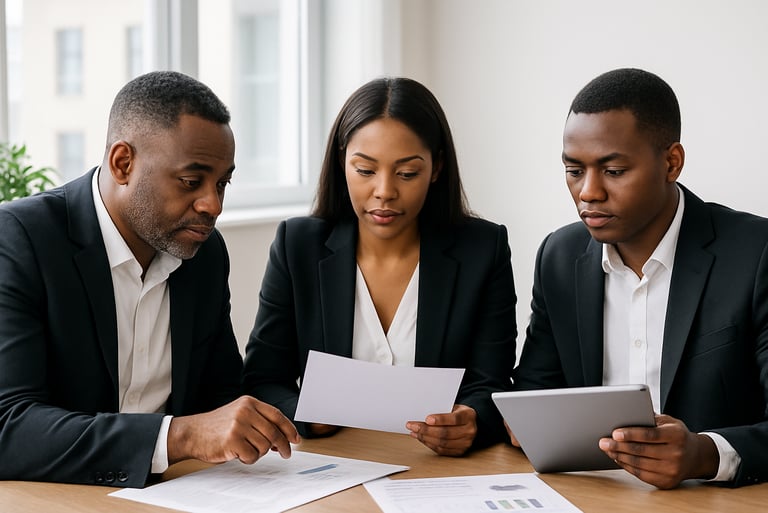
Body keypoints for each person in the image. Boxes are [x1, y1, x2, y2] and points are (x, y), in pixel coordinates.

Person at [0, 71, 299, 488]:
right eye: (191, 182)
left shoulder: (204, 254)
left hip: (179, 494)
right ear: (123, 163)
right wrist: (179, 435)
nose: (212, 204)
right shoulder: (20, 240)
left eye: (222, 183)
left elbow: (221, 397)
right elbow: (8, 426)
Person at [510, 68, 768, 488]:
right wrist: (523, 424)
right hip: (591, 494)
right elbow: (533, 394)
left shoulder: (756, 254)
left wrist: (704, 454)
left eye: (613, 171)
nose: (588, 192)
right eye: (574, 171)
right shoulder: (560, 257)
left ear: (671, 163)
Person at [243, 77, 517, 455]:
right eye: (365, 170)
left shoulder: (482, 249)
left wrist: (472, 420)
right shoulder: (297, 245)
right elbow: (263, 378)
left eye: (407, 173)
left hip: (441, 472)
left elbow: (493, 382)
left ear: (436, 168)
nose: (385, 191)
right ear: (342, 163)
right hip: (329, 468)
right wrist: (308, 414)